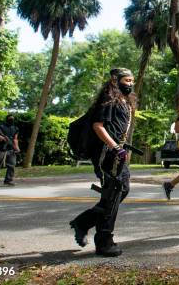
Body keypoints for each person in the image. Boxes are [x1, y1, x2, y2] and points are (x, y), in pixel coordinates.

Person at [69, 68, 136, 257]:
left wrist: (123, 148)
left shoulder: (125, 102)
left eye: (132, 81)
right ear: (116, 80)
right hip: (105, 153)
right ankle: (104, 240)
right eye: (127, 80)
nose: (130, 84)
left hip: (117, 153)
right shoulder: (109, 100)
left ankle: (83, 223)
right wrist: (115, 147)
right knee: (113, 193)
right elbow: (97, 126)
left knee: (120, 191)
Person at [0, 114, 20, 187]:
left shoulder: (15, 128)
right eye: (10, 119)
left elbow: (15, 139)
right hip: (1, 149)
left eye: (12, 119)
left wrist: (17, 148)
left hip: (11, 149)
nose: (11, 120)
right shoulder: (1, 126)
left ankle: (8, 180)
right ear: (7, 119)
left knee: (12, 165)